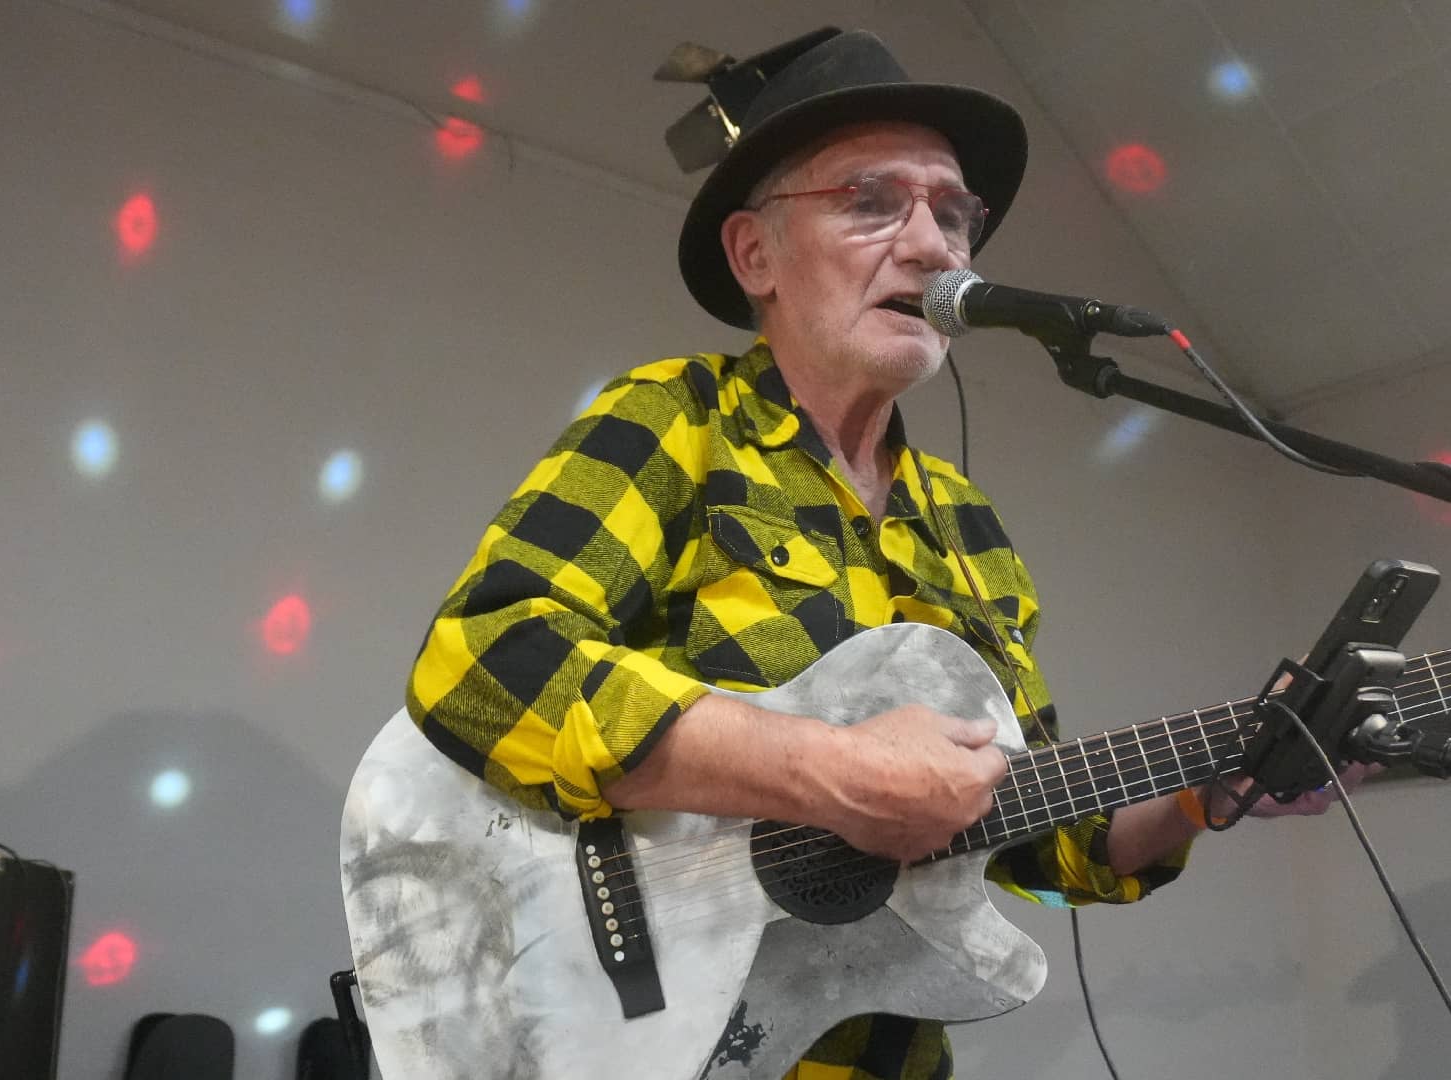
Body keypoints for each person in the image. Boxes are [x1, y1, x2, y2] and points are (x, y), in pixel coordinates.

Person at [404, 28, 1351, 1080]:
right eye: (871, 201)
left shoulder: (967, 525)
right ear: (755, 256)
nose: (934, 246)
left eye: (953, 213)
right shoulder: (679, 421)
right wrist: (828, 771)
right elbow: (482, 660)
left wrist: (1206, 790)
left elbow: (1036, 841)